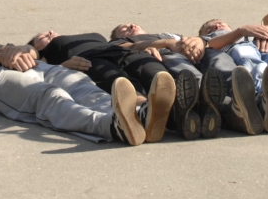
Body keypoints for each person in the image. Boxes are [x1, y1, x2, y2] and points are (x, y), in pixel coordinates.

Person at [0, 26, 149, 146]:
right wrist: (0, 56)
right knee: (50, 96)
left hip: (39, 68)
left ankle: (140, 115)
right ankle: (111, 125)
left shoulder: (7, 47)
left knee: (81, 85)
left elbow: (35, 54)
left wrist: (27, 53)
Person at [28, 29, 177, 143]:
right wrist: (62, 66)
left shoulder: (99, 39)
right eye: (42, 37)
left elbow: (133, 44)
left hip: (122, 52)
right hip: (88, 59)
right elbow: (42, 73)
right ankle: (144, 110)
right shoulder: (48, 55)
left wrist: (152, 46)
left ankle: (179, 108)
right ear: (37, 49)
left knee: (154, 74)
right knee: (119, 81)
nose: (49, 33)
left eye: (50, 32)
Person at [197, 18, 268, 134]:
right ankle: (267, 97)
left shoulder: (253, 31)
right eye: (209, 29)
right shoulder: (219, 37)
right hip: (239, 47)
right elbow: (208, 46)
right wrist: (239, 32)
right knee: (253, 62)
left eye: (221, 24)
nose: (217, 26)